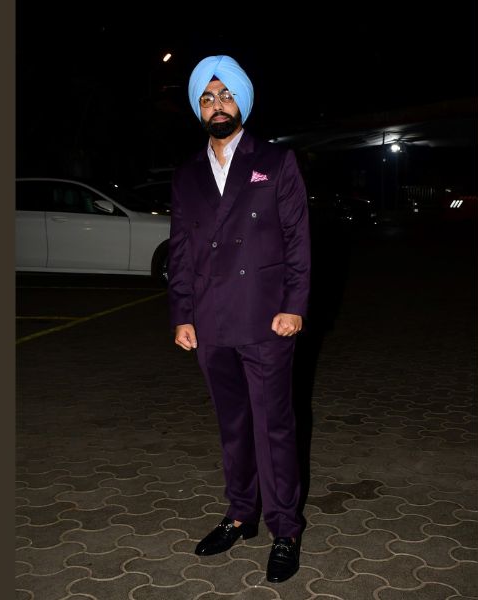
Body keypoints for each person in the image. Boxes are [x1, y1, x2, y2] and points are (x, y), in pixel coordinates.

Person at [167, 55, 311, 583]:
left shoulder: (275, 161)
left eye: (225, 95)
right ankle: (240, 514)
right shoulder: (187, 175)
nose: (217, 106)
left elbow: (297, 240)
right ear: (198, 108)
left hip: (266, 317)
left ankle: (285, 529)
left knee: (273, 427)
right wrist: (182, 313)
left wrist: (294, 305)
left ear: (242, 102)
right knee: (232, 426)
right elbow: (180, 250)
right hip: (210, 321)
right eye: (207, 98)